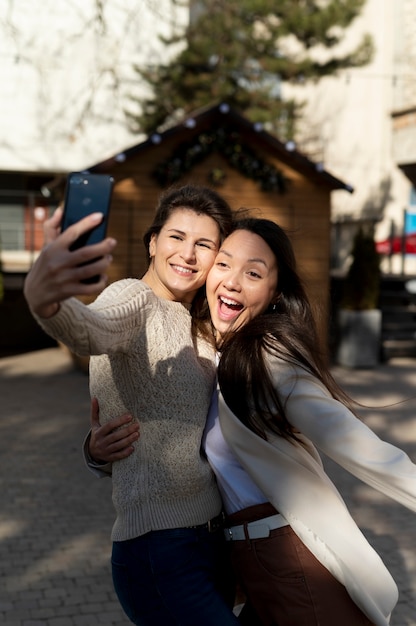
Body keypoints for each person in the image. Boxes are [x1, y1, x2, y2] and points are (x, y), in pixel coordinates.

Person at [90, 216, 416, 626]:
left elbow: (355, 442)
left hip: (292, 559)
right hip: (247, 561)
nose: (232, 281)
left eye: (254, 273)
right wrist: (94, 451)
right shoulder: (210, 352)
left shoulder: (268, 356)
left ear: (274, 292)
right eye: (224, 264)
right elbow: (163, 433)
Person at [23, 184, 242, 626]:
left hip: (213, 538)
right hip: (159, 548)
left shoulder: (201, 322)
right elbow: (92, 329)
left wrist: (95, 453)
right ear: (153, 243)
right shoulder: (133, 299)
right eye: (177, 237)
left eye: (205, 244)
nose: (188, 254)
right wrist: (44, 298)